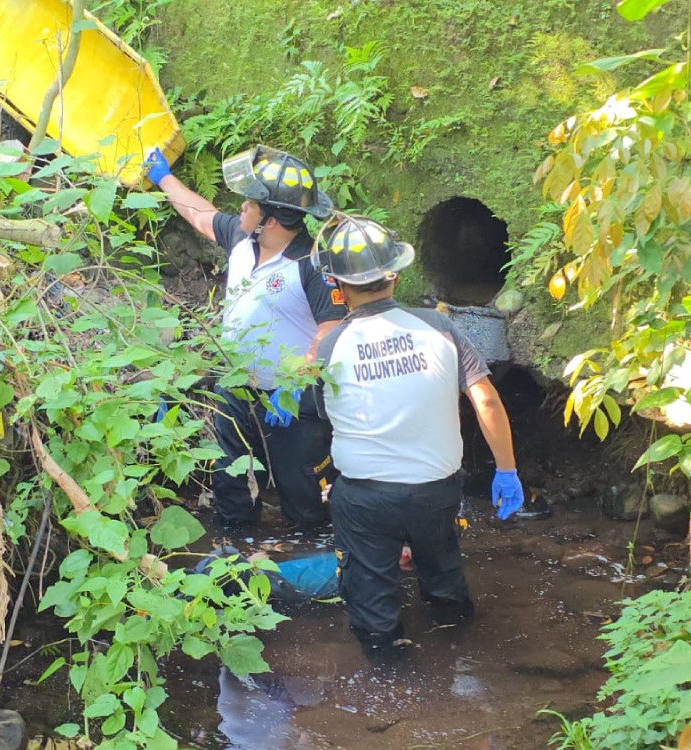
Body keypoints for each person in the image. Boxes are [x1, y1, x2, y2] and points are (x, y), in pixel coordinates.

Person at [311, 215, 525, 655]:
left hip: (366, 497)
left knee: (370, 597)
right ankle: (459, 651)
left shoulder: (333, 346)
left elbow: (328, 417)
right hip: (436, 490)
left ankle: (388, 672)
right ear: (393, 274)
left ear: (338, 285)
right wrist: (507, 470)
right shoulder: (439, 326)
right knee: (444, 572)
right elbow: (485, 400)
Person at [145, 145, 347, 531]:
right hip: (235, 389)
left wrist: (294, 385)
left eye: (249, 203)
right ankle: (234, 552)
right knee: (231, 484)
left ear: (270, 220)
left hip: (293, 401)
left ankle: (312, 562)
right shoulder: (242, 240)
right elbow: (200, 215)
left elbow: (332, 328)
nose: (241, 207)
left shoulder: (311, 263)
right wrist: (163, 177)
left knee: (306, 499)